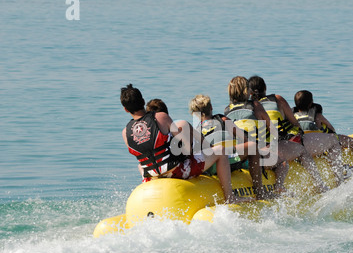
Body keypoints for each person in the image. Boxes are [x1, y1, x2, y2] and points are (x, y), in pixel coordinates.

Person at [120, 84, 248, 204]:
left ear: (125, 109)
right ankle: (230, 197)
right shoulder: (160, 117)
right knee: (220, 151)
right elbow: (184, 147)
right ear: (143, 101)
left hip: (151, 175)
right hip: (176, 171)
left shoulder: (125, 132)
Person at [224, 76, 329, 193]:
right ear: (247, 91)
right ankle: (314, 185)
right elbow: (272, 130)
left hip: (240, 156)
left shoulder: (227, 111)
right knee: (295, 154)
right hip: (259, 154)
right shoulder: (255, 106)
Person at [247, 76, 345, 188]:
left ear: (249, 93)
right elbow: (294, 122)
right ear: (265, 87)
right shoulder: (277, 99)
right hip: (281, 147)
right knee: (332, 140)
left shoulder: (248, 107)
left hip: (257, 152)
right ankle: (331, 184)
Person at [189, 94, 270, 200]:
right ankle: (259, 192)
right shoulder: (222, 119)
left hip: (210, 167)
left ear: (195, 114)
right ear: (211, 108)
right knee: (252, 147)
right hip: (228, 161)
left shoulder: (195, 130)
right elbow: (244, 139)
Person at [293, 90, 353, 167]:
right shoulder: (318, 116)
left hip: (303, 148)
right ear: (311, 103)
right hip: (321, 146)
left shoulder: (293, 118)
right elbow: (332, 129)